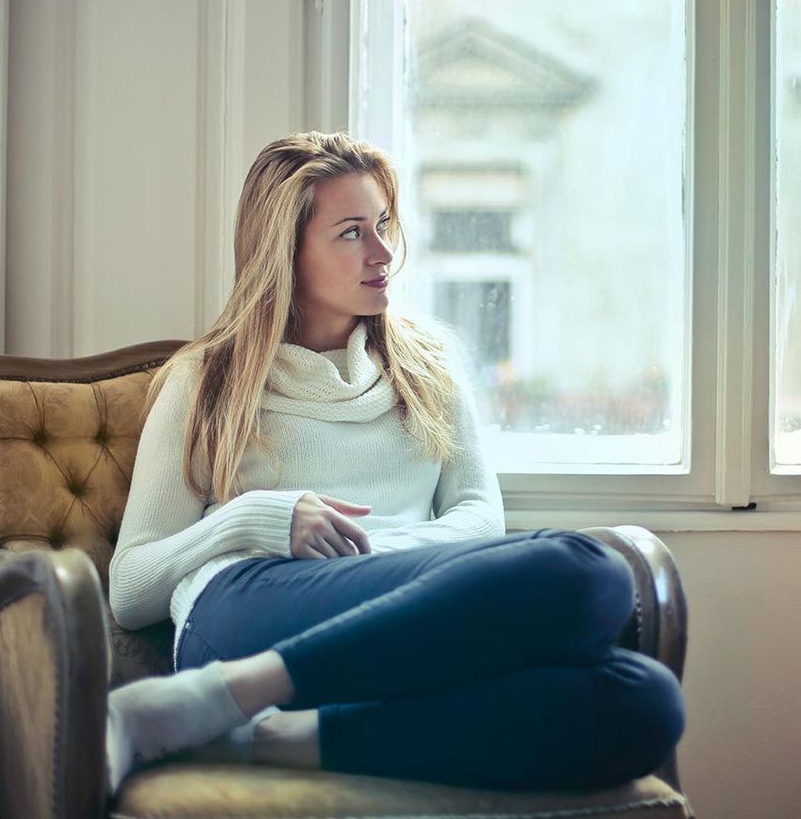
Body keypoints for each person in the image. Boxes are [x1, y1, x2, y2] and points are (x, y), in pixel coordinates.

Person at [105, 131, 685, 797]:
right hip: (248, 607)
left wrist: (377, 555)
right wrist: (253, 518)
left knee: (645, 700)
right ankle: (226, 689)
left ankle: (261, 732)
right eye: (352, 232)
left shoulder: (429, 363)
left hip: (404, 608)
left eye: (382, 225)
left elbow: (478, 517)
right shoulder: (206, 381)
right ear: (283, 253)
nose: (383, 253)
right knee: (587, 571)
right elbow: (130, 586)